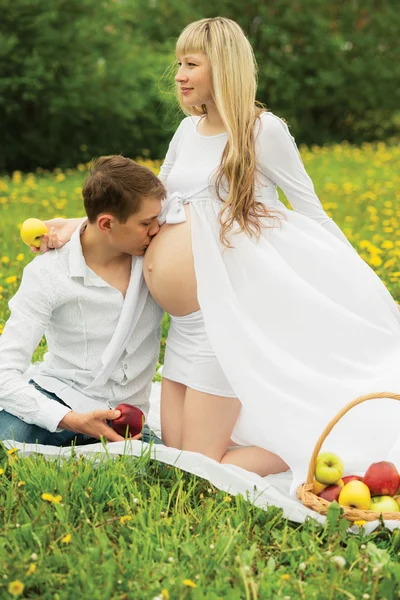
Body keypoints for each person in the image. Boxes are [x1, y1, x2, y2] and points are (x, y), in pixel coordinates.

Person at [36, 18, 400, 490]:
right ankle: (288, 435)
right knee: (176, 455)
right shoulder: (188, 132)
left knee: (201, 467)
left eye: (191, 64)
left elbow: (312, 212)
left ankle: (313, 439)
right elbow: (151, 202)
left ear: (222, 67)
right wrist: (79, 223)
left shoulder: (262, 130)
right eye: (179, 64)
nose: (179, 75)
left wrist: (361, 284)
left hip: (225, 319)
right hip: (185, 328)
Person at [0, 156, 165, 447]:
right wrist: (72, 419)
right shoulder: (49, 272)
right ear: (106, 224)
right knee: (11, 438)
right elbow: (3, 372)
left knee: (170, 459)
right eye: (146, 223)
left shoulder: (158, 258)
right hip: (63, 400)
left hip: (130, 416)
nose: (157, 230)